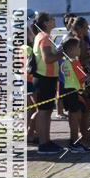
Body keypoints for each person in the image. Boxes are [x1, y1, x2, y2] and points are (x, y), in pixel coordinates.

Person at [32, 11, 64, 155]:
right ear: (45, 23)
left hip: (47, 78)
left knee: (47, 111)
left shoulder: (43, 36)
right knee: (43, 112)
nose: (54, 20)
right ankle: (43, 143)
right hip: (44, 78)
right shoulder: (44, 37)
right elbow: (47, 58)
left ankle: (46, 140)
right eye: (51, 18)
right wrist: (62, 53)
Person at [71, 17, 90, 145]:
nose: (87, 29)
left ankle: (86, 131)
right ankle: (83, 133)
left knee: (89, 106)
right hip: (85, 77)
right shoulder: (77, 42)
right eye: (85, 27)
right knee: (86, 106)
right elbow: (79, 62)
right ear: (79, 28)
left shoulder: (85, 39)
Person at [60, 37, 90, 153]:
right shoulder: (75, 62)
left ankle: (75, 141)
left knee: (74, 117)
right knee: (75, 118)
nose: (80, 49)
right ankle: (74, 142)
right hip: (74, 92)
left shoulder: (65, 63)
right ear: (71, 50)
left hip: (68, 90)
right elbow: (82, 78)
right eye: (78, 47)